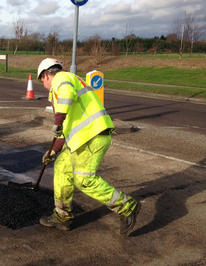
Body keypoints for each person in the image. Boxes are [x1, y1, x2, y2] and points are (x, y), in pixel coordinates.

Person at [36, 58, 141, 235]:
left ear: (46, 75)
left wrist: (57, 119)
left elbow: (66, 99)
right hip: (81, 139)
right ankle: (62, 216)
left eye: (42, 82)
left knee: (84, 180)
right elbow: (65, 129)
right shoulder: (65, 86)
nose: (44, 86)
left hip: (92, 136)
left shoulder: (61, 78)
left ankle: (127, 206)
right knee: (62, 168)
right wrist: (53, 151)